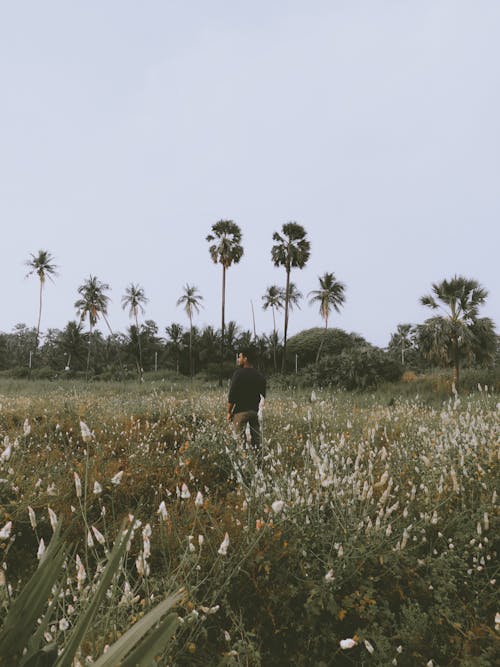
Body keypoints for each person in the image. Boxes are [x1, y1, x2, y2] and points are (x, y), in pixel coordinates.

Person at [227, 347, 266, 461]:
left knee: (240, 442)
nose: (238, 359)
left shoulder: (238, 374)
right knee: (256, 440)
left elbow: (232, 396)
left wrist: (229, 412)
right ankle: (259, 463)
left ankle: (244, 465)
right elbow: (263, 398)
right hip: (254, 412)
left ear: (245, 358)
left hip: (240, 412)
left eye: (240, 357)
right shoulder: (259, 375)